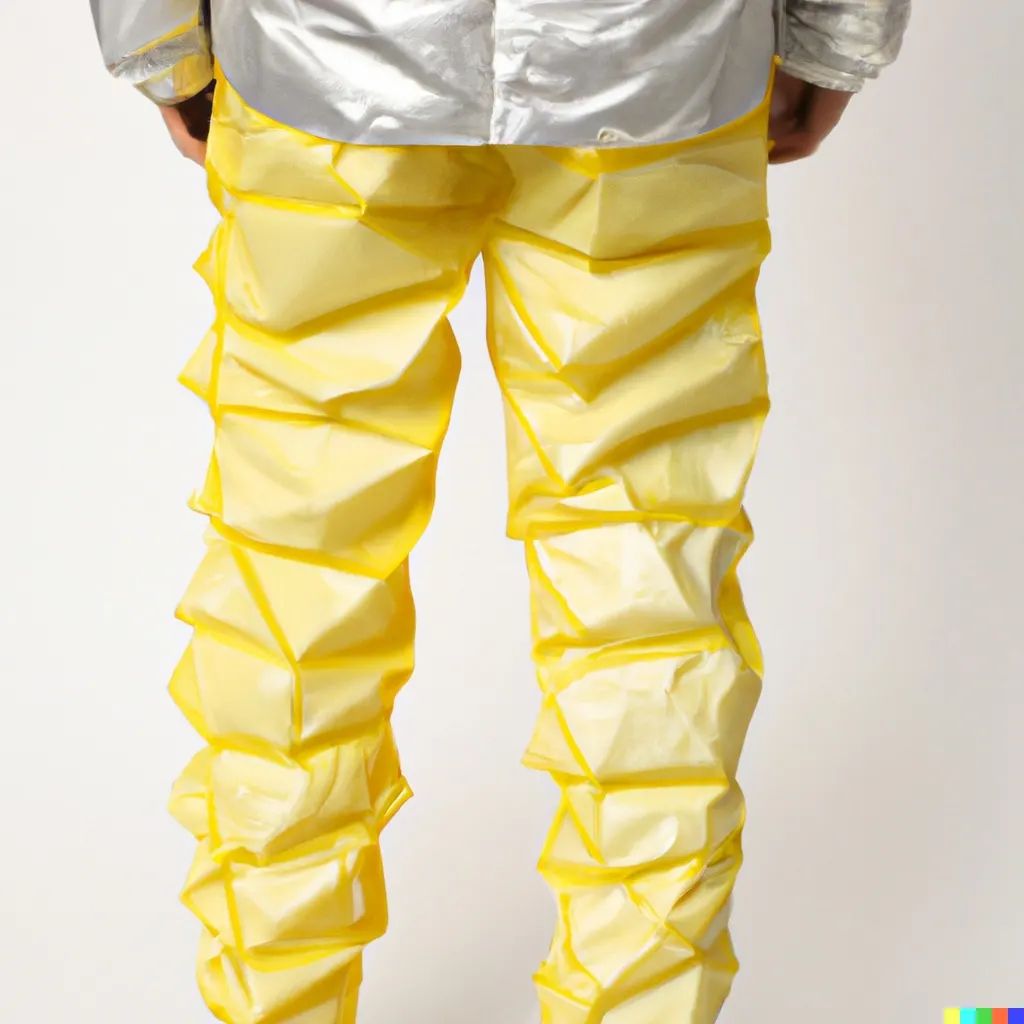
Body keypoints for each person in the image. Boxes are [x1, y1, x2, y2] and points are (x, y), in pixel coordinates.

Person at [90, 2, 911, 1022]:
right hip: (654, 61)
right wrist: (835, 36)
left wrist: (164, 48)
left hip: (324, 59)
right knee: (646, 587)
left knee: (293, 586)